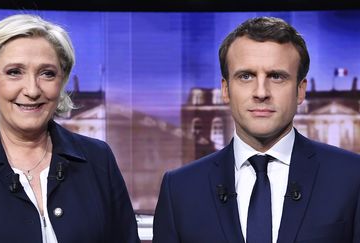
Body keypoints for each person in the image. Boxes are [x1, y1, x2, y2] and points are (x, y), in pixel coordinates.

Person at [0, 14, 139, 243]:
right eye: (14, 72)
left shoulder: (98, 159)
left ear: (62, 80)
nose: (32, 90)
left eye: (47, 73)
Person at [153, 16, 360, 243]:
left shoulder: (352, 177)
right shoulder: (180, 190)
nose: (261, 92)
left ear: (300, 90)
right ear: (226, 89)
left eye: (276, 76)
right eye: (246, 76)